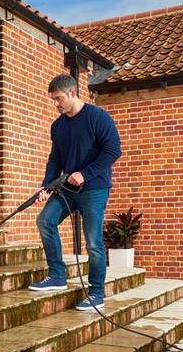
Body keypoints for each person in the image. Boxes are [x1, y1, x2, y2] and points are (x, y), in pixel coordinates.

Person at [28, 74, 122, 311]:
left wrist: (85, 173)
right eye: (53, 100)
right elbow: (55, 159)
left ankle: (96, 293)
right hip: (67, 189)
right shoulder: (57, 126)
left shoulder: (97, 117)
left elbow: (113, 151)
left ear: (71, 93)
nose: (56, 104)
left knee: (92, 242)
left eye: (58, 98)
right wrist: (46, 186)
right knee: (45, 221)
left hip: (95, 189)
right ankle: (57, 275)